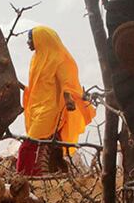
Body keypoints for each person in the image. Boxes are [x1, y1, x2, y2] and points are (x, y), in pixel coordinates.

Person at [16, 25, 94, 176]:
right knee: (50, 142)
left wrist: (68, 98)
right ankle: (53, 171)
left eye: (30, 39)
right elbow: (38, 86)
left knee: (29, 145)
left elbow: (66, 81)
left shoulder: (57, 58)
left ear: (41, 40)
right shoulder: (37, 58)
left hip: (50, 109)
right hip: (37, 107)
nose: (28, 42)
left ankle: (26, 175)